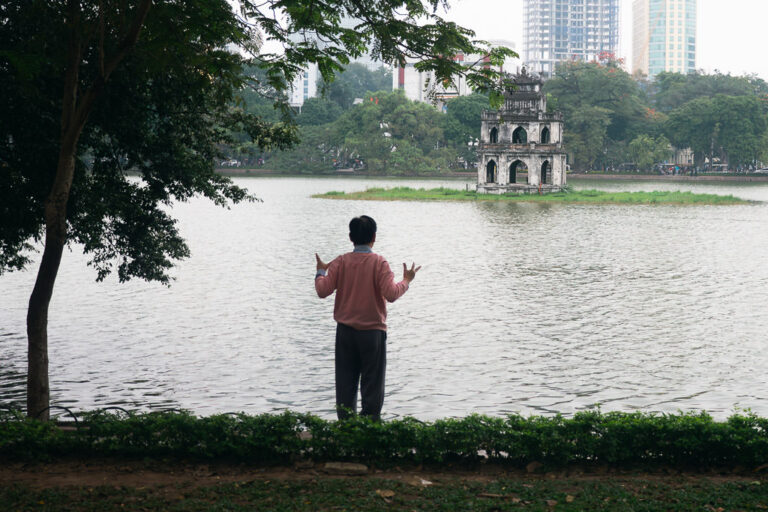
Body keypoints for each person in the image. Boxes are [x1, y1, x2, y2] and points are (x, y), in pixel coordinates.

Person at [314, 215, 420, 421]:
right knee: (373, 385)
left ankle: (346, 429)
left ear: (350, 237)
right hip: (372, 334)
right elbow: (391, 294)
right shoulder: (379, 263)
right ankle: (369, 431)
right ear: (374, 237)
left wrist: (320, 271)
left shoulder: (341, 262)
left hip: (345, 333)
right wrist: (407, 280)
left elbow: (322, 290)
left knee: (345, 385)